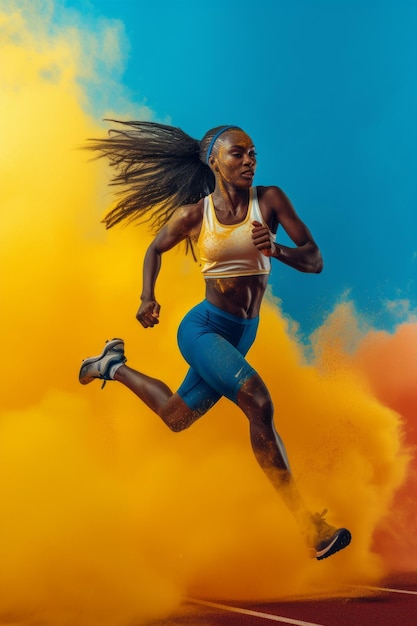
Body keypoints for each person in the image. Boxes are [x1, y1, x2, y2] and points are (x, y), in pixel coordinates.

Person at [79, 121, 351, 560]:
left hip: (243, 334)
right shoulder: (194, 215)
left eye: (253, 153)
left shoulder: (271, 200)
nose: (249, 161)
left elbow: (315, 260)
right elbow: (154, 249)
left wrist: (276, 250)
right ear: (214, 162)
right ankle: (309, 526)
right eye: (238, 154)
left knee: (176, 417)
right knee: (258, 403)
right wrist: (148, 296)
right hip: (204, 330)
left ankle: (111, 365)